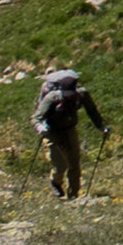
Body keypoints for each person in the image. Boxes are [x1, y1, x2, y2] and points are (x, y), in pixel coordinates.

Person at [31, 68, 108, 199]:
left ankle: (73, 195)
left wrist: (101, 127)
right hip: (51, 131)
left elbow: (92, 111)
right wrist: (40, 128)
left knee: (74, 163)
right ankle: (55, 182)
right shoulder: (51, 98)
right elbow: (36, 118)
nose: (70, 98)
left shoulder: (81, 95)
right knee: (60, 165)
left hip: (69, 129)